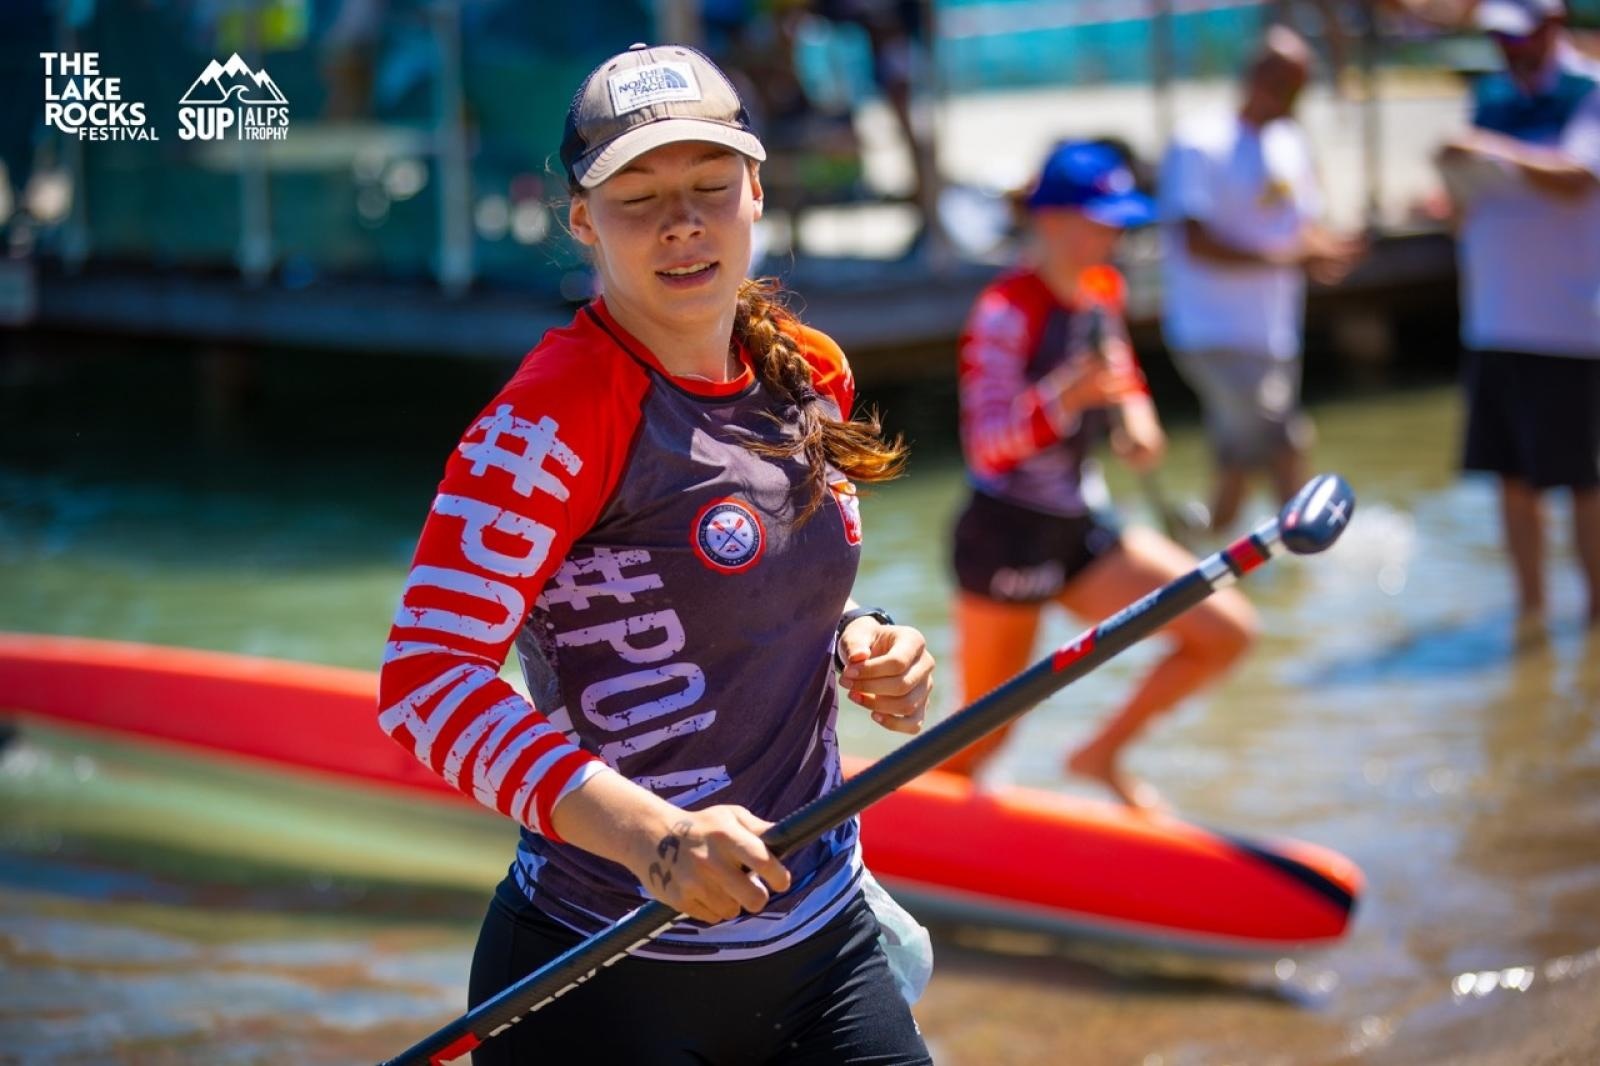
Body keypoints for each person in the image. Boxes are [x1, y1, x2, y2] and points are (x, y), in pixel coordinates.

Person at [376, 43, 936, 1064]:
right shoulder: (550, 417)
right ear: (581, 221)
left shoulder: (809, 373)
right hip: (601, 967)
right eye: (637, 199)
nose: (680, 221)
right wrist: (654, 839)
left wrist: (868, 640)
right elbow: (427, 684)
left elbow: (759, 584)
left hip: (824, 941)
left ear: (755, 194)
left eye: (709, 188)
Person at [939, 140, 1258, 810]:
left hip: (1078, 527)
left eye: (1121, 220)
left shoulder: (1099, 288)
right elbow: (989, 448)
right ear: (1052, 222)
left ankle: (1098, 754)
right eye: (1102, 219)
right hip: (1005, 536)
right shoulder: (1004, 311)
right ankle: (920, 848)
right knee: (980, 742)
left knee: (1225, 629)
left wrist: (1136, 417)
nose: (1116, 233)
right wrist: (1064, 402)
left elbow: (1118, 375)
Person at [1433, 0, 1600, 631]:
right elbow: (1471, 200)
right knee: (1509, 477)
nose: (1508, 48)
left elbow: (1578, 177)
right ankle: (1530, 615)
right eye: (1499, 37)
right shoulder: (1490, 98)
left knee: (1583, 480)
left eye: (1519, 35)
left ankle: (1594, 622)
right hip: (1492, 320)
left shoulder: (1589, 90)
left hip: (1569, 324)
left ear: (1552, 26)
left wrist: (1484, 149)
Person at [1157, 26, 1365, 532]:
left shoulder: (1291, 142)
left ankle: (1200, 541)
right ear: (1255, 77)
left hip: (1273, 331)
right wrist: (1287, 257)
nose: (1294, 98)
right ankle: (1309, 555)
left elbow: (1302, 228)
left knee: (1241, 451)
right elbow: (1195, 239)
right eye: (1286, 85)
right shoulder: (1199, 142)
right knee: (1285, 441)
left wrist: (1328, 249)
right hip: (1212, 332)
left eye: (1301, 87)